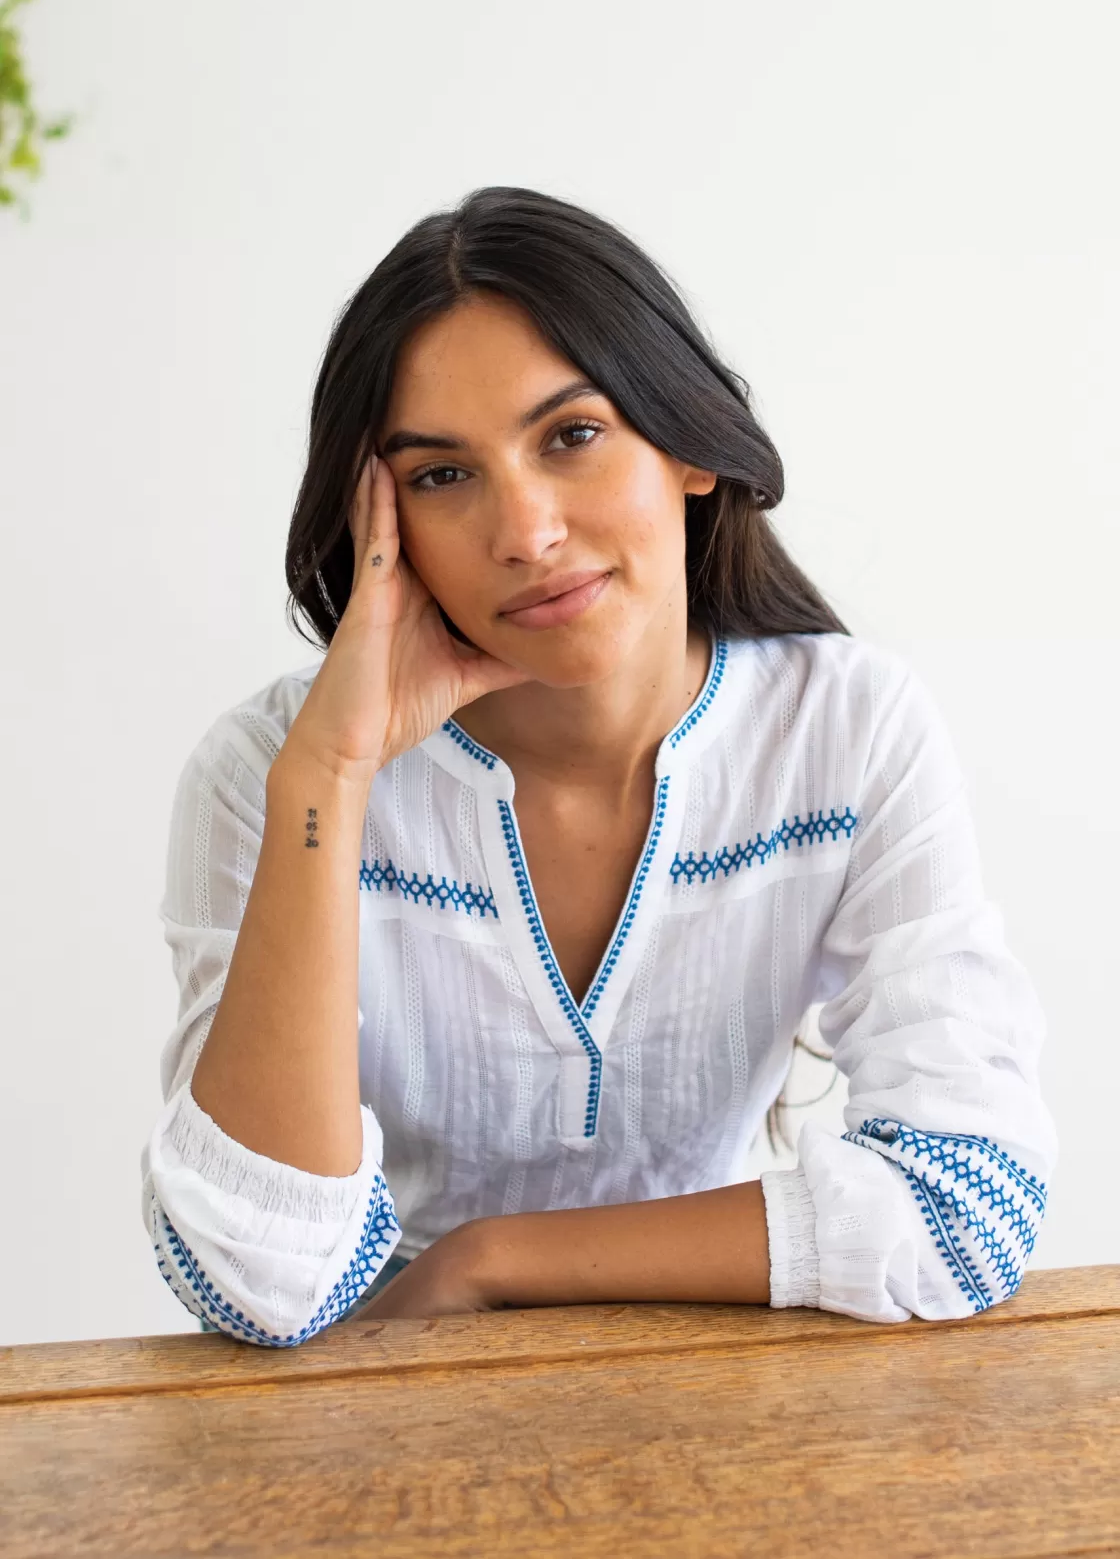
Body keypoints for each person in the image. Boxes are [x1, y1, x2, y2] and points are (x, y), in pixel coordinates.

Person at [142, 185, 1057, 1345]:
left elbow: (968, 1205)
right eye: (440, 475)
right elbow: (257, 1286)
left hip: (729, 1380)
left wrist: (492, 1261)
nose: (523, 531)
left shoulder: (848, 730)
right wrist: (329, 777)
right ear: (384, 527)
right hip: (372, 1425)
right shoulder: (273, 774)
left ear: (684, 444)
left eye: (570, 437)